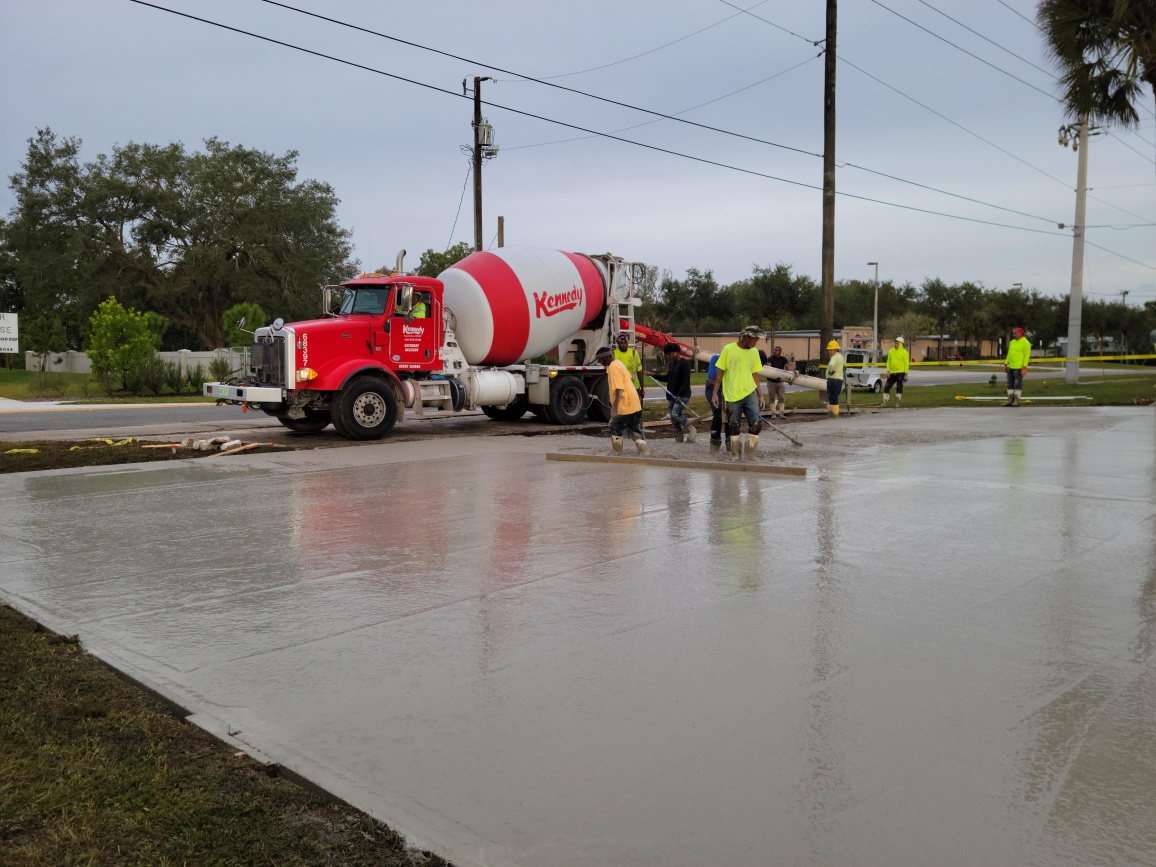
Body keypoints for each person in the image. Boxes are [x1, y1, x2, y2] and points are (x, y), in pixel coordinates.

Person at [714, 325, 766, 459]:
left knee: (756, 423)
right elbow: (720, 372)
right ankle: (735, 454)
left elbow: (755, 374)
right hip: (732, 394)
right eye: (754, 340)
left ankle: (750, 454)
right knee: (734, 425)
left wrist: (760, 395)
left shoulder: (754, 352)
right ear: (747, 338)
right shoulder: (728, 349)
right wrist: (715, 393)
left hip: (749, 393)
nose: (756, 343)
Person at [596, 345, 647, 455]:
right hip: (634, 402)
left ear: (605, 357)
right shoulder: (619, 363)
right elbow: (630, 378)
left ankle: (617, 452)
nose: (600, 362)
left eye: (600, 360)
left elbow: (619, 389)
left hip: (625, 404)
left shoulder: (613, 367)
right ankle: (643, 451)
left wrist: (615, 407)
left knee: (614, 426)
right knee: (634, 428)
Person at [648, 343, 696, 443]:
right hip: (671, 395)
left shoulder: (684, 364)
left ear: (675, 352)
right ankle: (679, 437)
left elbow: (685, 382)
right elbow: (667, 378)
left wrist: (680, 395)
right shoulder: (672, 364)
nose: (668, 356)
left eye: (669, 354)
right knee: (674, 420)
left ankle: (691, 428)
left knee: (675, 415)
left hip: (682, 395)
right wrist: (654, 375)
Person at [705, 351, 731, 454]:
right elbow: (711, 380)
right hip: (713, 389)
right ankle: (715, 441)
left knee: (730, 415)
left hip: (729, 390)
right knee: (718, 414)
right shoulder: (715, 359)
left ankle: (730, 442)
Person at [613, 332, 644, 403]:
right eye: (621, 343)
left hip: (634, 386)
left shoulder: (634, 353)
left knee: (637, 407)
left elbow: (639, 371)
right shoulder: (615, 354)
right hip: (621, 387)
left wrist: (642, 387)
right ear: (618, 343)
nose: (624, 345)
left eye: (625, 343)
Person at [1004, 326, 1031, 406]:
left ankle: (1016, 400)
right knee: (1009, 384)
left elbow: (1027, 355)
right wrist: (1005, 364)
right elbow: (1009, 354)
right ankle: (1010, 400)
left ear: (1020, 333)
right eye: (1013, 333)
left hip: (1019, 368)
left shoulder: (1026, 343)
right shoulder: (1012, 342)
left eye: (1015, 333)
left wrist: (1024, 367)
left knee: (1018, 384)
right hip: (1010, 367)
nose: (1014, 335)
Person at [882, 335, 909, 407]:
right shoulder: (891, 351)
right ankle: (885, 402)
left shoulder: (905, 352)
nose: (896, 344)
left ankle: (897, 403)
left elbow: (906, 363)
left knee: (899, 387)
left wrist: (906, 374)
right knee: (887, 386)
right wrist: (888, 371)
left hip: (901, 373)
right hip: (892, 372)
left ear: (901, 344)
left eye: (897, 343)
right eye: (895, 343)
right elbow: (888, 362)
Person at [766, 346, 789, 418]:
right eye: (774, 350)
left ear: (780, 352)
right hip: (771, 381)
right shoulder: (770, 359)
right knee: (772, 397)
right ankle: (773, 413)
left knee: (781, 397)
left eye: (777, 350)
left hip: (780, 381)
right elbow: (769, 367)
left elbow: (787, 367)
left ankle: (782, 413)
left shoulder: (783, 359)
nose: (775, 351)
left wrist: (789, 372)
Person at [825, 339, 845, 417]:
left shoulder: (834, 357)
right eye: (828, 350)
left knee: (832, 399)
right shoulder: (840, 356)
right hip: (838, 380)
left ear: (835, 349)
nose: (829, 351)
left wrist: (830, 372)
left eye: (830, 350)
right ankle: (833, 415)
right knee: (834, 398)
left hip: (833, 380)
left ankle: (833, 416)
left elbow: (831, 365)